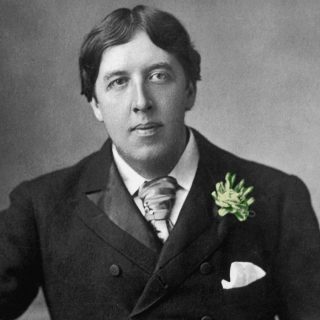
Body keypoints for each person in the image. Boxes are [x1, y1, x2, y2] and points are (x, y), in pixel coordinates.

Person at [1, 4, 320, 320]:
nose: (141, 102)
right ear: (96, 104)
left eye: (158, 76)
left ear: (190, 90)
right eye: (118, 82)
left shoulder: (278, 199)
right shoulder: (40, 207)